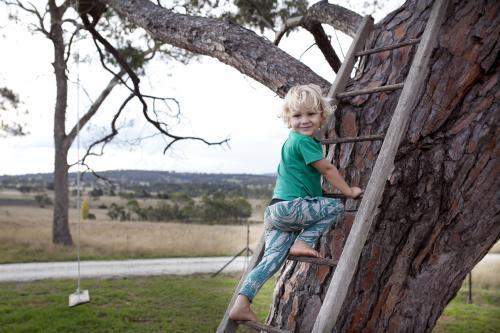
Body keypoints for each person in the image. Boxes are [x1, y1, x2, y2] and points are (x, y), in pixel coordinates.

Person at [228, 84, 363, 322]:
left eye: (310, 114)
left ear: (321, 116)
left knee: (270, 261)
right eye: (297, 115)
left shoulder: (290, 141)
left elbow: (302, 176)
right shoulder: (305, 142)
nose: (304, 121)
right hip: (292, 208)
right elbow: (328, 169)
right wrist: (349, 190)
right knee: (335, 206)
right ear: (288, 119)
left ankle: (242, 303)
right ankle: (304, 241)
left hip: (276, 211)